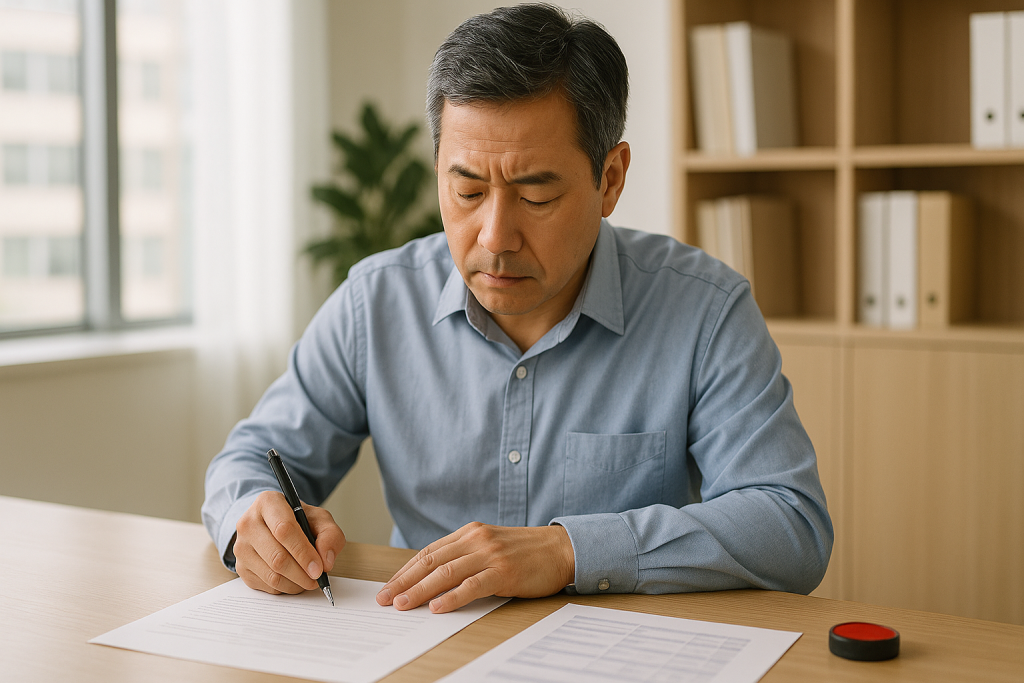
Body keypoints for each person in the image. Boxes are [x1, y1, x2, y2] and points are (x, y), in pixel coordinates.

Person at [202, 3, 833, 615]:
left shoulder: (704, 310)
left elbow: (791, 523)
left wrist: (568, 551)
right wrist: (253, 516)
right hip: (428, 648)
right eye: (468, 190)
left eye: (535, 196)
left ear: (609, 178)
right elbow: (252, 456)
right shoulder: (377, 300)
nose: (494, 236)